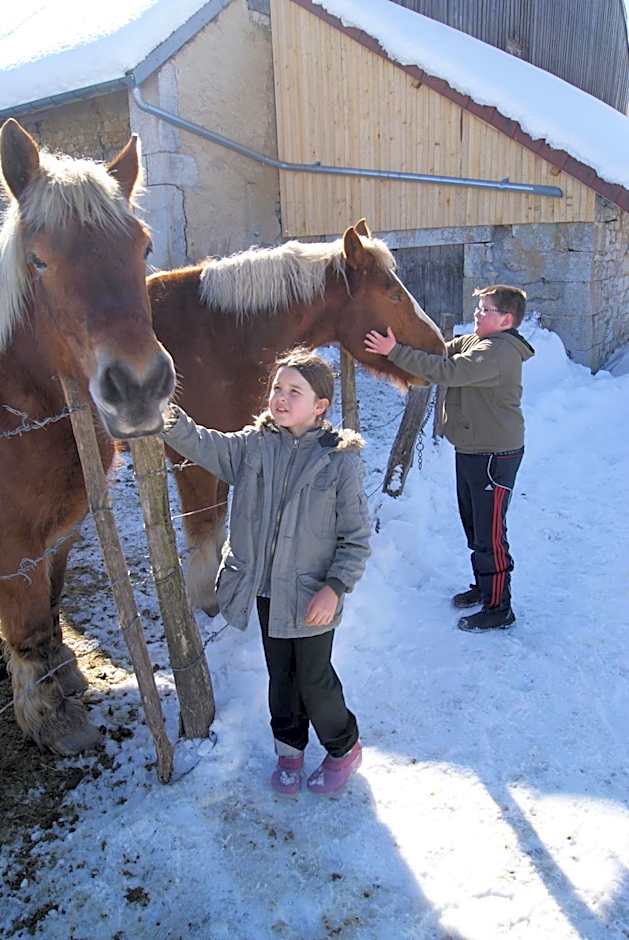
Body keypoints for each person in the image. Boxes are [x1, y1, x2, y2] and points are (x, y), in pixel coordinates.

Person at [160, 348, 370, 796]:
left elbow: (355, 538)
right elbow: (203, 443)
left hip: (313, 593)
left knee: (314, 680)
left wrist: (334, 588)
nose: (281, 397)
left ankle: (343, 746)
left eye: (295, 390)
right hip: (268, 591)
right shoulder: (252, 446)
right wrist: (166, 415)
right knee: (281, 678)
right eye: (277, 387)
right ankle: (288, 750)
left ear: (320, 407)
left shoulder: (339, 461)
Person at [365, 285, 534, 632]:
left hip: (493, 456)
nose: (477, 313)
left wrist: (394, 351)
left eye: (485, 310)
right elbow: (439, 352)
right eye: (478, 307)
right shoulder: (476, 342)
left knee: (490, 535)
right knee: (475, 528)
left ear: (506, 320)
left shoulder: (498, 353)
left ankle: (499, 607)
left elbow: (447, 372)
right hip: (473, 450)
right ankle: (485, 588)